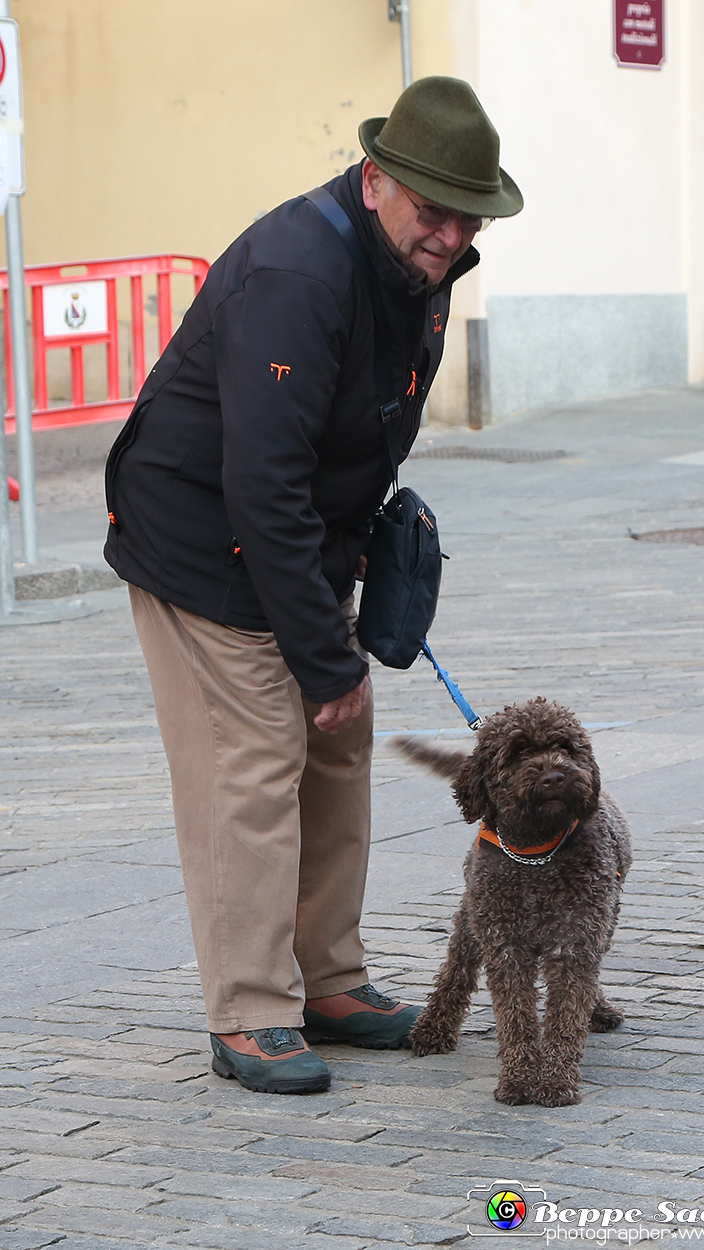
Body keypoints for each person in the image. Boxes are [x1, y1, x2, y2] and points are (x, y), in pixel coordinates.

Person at [104, 75, 523, 1094]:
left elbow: (365, 426)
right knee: (252, 759)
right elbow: (260, 480)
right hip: (203, 540)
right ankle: (249, 1008)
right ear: (376, 180)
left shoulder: (421, 262)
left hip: (297, 534)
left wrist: (364, 562)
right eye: (432, 211)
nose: (450, 234)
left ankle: (328, 979)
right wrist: (320, 648)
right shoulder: (299, 269)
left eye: (467, 215)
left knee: (339, 741)